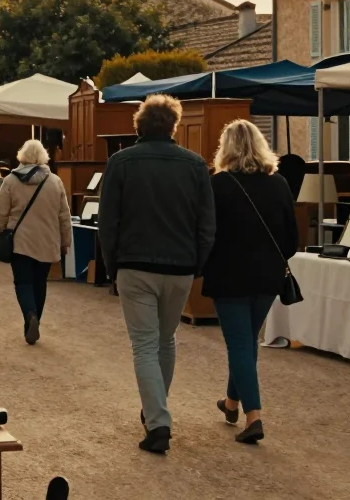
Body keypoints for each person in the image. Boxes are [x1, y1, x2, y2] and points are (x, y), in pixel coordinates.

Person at [99, 94, 215, 455]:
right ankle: (155, 410)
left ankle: (158, 420)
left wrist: (110, 266)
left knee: (146, 345)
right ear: (174, 126)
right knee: (165, 340)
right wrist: (198, 262)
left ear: (139, 125)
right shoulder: (195, 165)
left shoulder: (120, 162)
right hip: (180, 265)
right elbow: (206, 223)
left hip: (135, 264)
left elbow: (108, 221)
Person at [204, 119, 297, 445]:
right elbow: (291, 241)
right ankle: (231, 403)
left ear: (226, 148)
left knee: (240, 344)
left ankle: (253, 415)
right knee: (247, 343)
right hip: (267, 277)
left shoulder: (217, 185)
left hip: (228, 276)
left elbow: (208, 234)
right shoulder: (280, 184)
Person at [0, 139, 71, 345]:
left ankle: (29, 315)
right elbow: (64, 215)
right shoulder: (55, 181)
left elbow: (0, 212)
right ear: (44, 156)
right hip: (47, 240)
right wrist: (66, 240)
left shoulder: (11, 181)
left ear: (22, 156)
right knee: (39, 283)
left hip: (21, 241)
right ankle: (35, 322)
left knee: (23, 282)